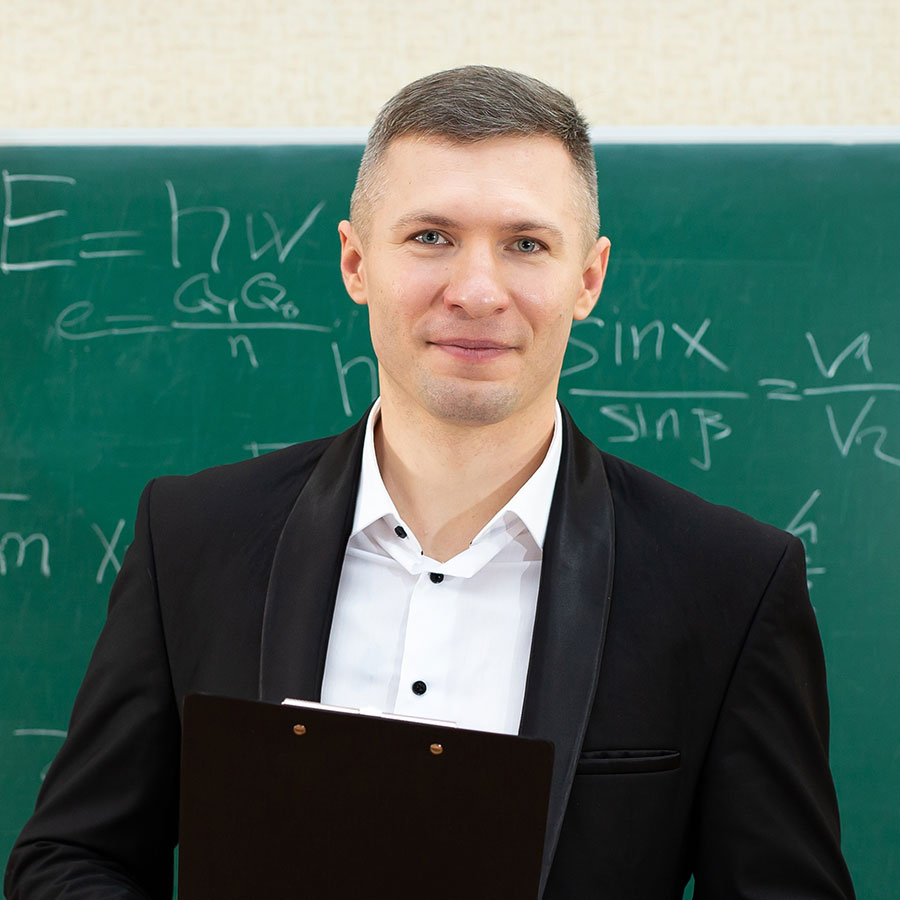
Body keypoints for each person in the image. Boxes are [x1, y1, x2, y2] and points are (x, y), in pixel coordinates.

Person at [5, 65, 854, 899]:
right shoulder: (193, 537)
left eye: (526, 244)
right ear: (355, 262)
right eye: (431, 238)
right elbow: (69, 861)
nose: (477, 292)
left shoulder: (730, 584)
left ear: (587, 279)